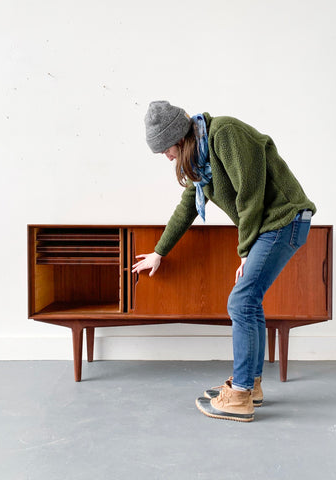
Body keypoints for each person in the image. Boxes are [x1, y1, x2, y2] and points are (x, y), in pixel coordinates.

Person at [132, 100, 316, 422]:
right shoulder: (201, 164)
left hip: (283, 219)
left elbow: (250, 192)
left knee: (241, 300)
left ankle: (241, 394)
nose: (166, 156)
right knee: (250, 299)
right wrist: (160, 252)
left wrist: (244, 250)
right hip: (269, 224)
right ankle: (253, 386)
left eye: (166, 148)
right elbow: (187, 205)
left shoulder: (224, 133)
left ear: (178, 136)